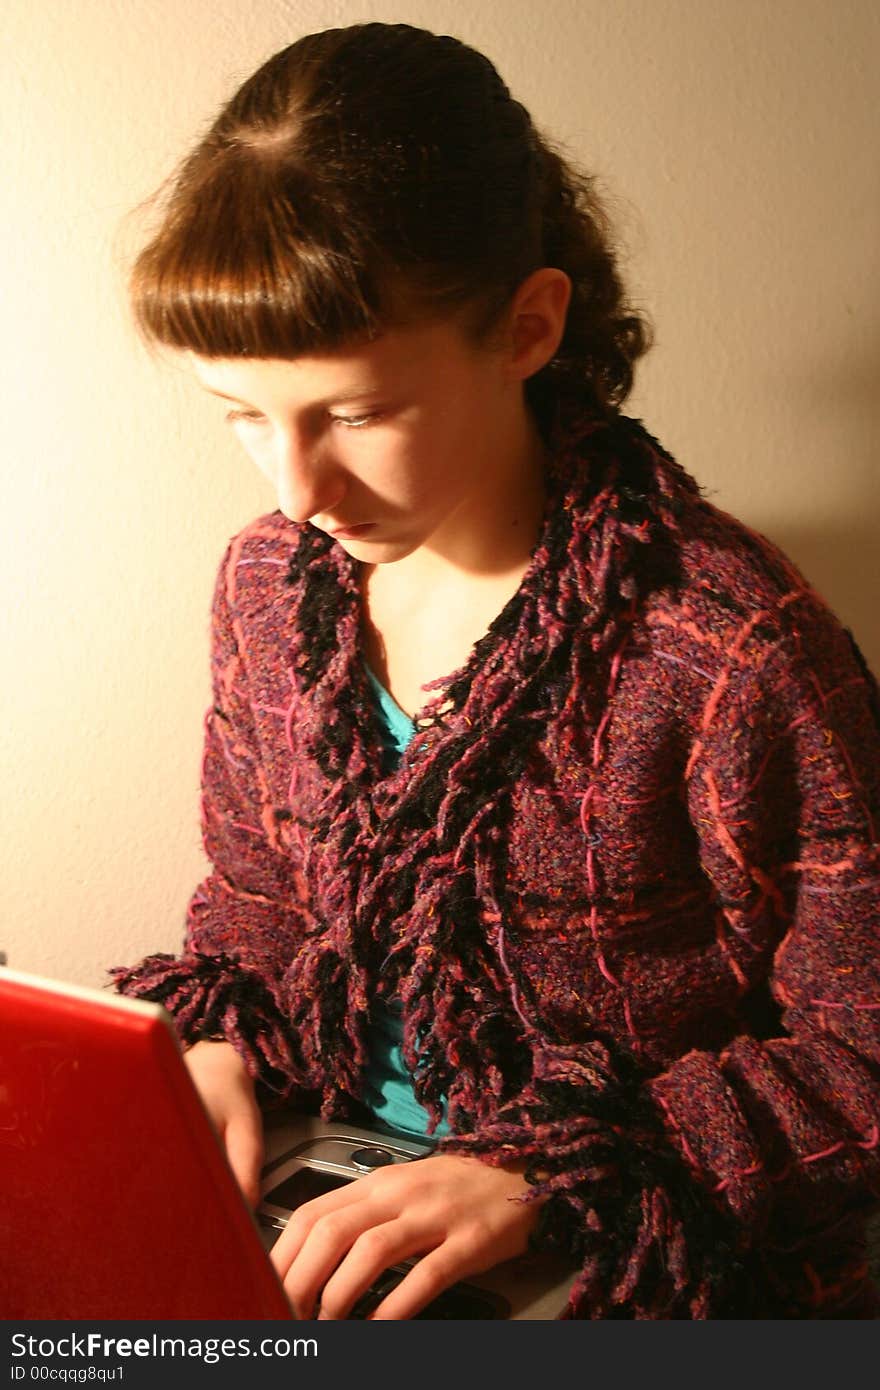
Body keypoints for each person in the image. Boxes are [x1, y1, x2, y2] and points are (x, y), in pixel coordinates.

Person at [110, 22, 880, 1320]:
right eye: (244, 417)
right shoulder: (264, 588)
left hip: (655, 1255)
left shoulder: (733, 644)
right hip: (330, 1187)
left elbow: (858, 1046)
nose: (296, 490)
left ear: (528, 328)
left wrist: (554, 1173)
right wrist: (215, 1051)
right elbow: (254, 901)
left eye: (356, 414)